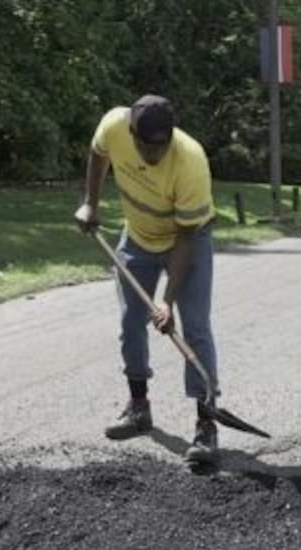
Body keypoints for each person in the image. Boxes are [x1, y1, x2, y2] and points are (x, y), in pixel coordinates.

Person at [74, 94, 220, 465]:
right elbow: (97, 153)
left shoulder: (190, 160)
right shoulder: (114, 125)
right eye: (146, 146)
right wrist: (90, 202)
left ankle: (206, 425)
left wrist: (166, 301)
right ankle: (139, 407)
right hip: (138, 237)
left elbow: (186, 239)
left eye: (162, 145)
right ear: (132, 133)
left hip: (186, 241)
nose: (155, 154)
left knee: (196, 329)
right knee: (130, 322)